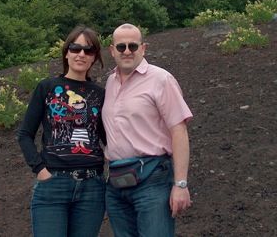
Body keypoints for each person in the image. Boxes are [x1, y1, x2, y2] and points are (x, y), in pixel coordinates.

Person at [102, 23, 193, 237]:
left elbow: (178, 131)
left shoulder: (161, 80)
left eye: (132, 46)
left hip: (152, 180)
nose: (127, 51)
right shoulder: (110, 82)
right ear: (112, 50)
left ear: (143, 48)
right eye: (121, 46)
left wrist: (180, 184)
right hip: (116, 182)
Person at [17, 25, 107, 237]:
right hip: (53, 184)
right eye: (76, 48)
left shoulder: (101, 94)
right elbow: (25, 134)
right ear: (66, 52)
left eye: (89, 50)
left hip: (92, 187)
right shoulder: (46, 88)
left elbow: (106, 137)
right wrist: (40, 170)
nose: (81, 54)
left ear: (95, 57)